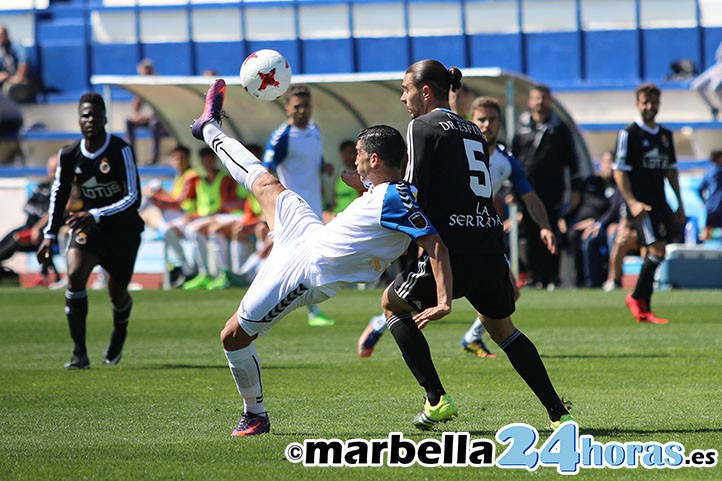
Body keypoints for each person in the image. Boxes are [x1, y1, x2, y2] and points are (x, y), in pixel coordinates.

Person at [190, 78, 453, 436]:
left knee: (233, 336)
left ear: (374, 159)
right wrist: (362, 182)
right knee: (266, 183)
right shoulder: (392, 188)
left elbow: (434, 243)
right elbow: (388, 194)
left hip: (307, 270)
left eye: (359, 154)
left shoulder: (396, 198)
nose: (353, 158)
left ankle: (255, 414)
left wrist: (443, 301)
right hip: (307, 233)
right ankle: (208, 127)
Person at [370, 60, 571, 430]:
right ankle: (559, 412)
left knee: (391, 305)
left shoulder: (422, 125)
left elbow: (412, 190)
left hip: (451, 249)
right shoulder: (473, 130)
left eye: (405, 89)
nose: (402, 97)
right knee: (503, 330)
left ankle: (436, 399)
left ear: (425, 91)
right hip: (487, 248)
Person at [358, 96, 558, 360]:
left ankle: (471, 338)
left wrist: (544, 226)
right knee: (415, 300)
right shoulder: (449, 145)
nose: (487, 125)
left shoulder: (506, 160)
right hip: (449, 237)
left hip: (478, 235)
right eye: (481, 119)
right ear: (470, 121)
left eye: (493, 120)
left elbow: (528, 197)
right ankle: (382, 323)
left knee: (511, 293)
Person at [36, 92, 144, 369]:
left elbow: (134, 198)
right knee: (74, 275)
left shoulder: (120, 149)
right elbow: (59, 193)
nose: (90, 120)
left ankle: (120, 330)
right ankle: (79, 354)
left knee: (117, 294)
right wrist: (49, 234)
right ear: (79, 120)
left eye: (95, 115)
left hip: (122, 230)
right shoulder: (69, 154)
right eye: (85, 115)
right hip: (87, 229)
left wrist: (96, 214)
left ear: (105, 118)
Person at [263, 84, 336, 327]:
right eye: (297, 106)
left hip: (314, 205)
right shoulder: (282, 136)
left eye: (306, 106)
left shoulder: (315, 130)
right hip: (291, 208)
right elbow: (266, 170)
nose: (302, 111)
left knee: (312, 258)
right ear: (287, 109)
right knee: (289, 258)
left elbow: (313, 159)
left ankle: (311, 311)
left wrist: (324, 167)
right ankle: (265, 299)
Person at [613, 83, 685, 324]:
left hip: (660, 202)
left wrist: (680, 205)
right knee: (656, 250)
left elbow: (671, 172)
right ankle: (635, 298)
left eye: (653, 102)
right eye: (645, 102)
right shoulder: (629, 134)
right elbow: (619, 171)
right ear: (637, 104)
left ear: (659, 104)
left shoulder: (666, 135)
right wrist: (632, 202)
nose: (649, 106)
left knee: (655, 253)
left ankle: (644, 307)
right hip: (641, 205)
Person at [512, 84, 582, 289]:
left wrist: (576, 187)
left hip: (552, 190)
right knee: (530, 234)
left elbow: (572, 160)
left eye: (543, 98)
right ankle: (534, 277)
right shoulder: (521, 126)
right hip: (527, 191)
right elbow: (513, 159)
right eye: (536, 98)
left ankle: (552, 277)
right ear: (529, 101)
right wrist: (511, 189)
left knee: (551, 231)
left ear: (550, 101)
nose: (540, 102)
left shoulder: (559, 127)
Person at [181, 147, 243, 290]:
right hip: (213, 217)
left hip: (224, 216)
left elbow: (225, 206)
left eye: (209, 159)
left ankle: (224, 273)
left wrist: (199, 217)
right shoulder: (199, 180)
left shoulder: (224, 178)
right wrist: (192, 215)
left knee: (206, 230)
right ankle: (204, 273)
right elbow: (186, 201)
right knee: (193, 231)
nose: (207, 162)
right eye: (204, 160)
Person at [141, 145, 199, 287]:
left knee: (152, 198)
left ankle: (186, 267)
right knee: (153, 188)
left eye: (181, 158)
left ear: (188, 159)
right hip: (176, 215)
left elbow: (179, 202)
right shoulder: (179, 176)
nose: (178, 161)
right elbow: (173, 199)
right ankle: (183, 266)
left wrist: (157, 198)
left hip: (186, 216)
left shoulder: (191, 176)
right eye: (175, 158)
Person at [0, 155, 59, 285]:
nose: (53, 174)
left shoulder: (64, 189)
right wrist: (40, 213)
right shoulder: (42, 187)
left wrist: (38, 225)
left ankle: (46, 275)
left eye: (56, 170)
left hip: (47, 231)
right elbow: (27, 206)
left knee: (18, 238)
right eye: (51, 170)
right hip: (29, 227)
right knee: (9, 237)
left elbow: (55, 211)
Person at [561, 150, 615, 287]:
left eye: (612, 162)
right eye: (607, 162)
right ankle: (575, 280)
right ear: (601, 164)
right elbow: (576, 203)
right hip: (580, 222)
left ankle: (593, 281)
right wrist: (563, 218)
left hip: (600, 224)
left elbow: (612, 210)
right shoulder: (591, 182)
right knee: (570, 234)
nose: (610, 166)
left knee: (590, 239)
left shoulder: (617, 185)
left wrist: (596, 222)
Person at [126, 59, 166, 164]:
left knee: (155, 123)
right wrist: (136, 115)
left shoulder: (160, 86)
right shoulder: (142, 86)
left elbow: (162, 109)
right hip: (148, 118)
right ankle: (132, 156)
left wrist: (148, 117)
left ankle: (154, 158)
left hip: (162, 120)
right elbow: (136, 108)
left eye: (148, 73)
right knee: (129, 122)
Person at [0, 26, 35, 103]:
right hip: (7, 79)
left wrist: (19, 76)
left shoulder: (16, 46)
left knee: (8, 89)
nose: (0, 37)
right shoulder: (0, 50)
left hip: (21, 81)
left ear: (6, 35)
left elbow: (24, 61)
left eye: (2, 35)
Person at [690, 42, 722, 120]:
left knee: (714, 88)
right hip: (718, 66)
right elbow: (718, 57)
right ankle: (713, 109)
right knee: (696, 85)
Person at [697, 150, 722, 240]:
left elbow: (699, 189)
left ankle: (700, 250)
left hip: (711, 206)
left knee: (707, 230)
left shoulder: (709, 172)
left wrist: (704, 201)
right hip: (720, 205)